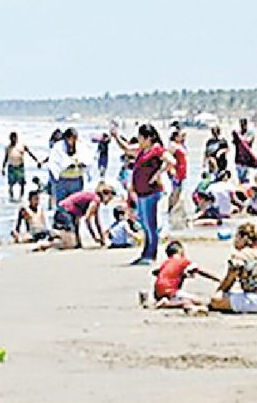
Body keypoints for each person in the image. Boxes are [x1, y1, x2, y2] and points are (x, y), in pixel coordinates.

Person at [113, 123, 174, 265]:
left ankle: (151, 255)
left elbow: (171, 161)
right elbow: (127, 148)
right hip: (141, 192)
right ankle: (146, 252)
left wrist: (157, 175)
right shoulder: (142, 150)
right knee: (145, 224)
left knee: (150, 224)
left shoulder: (156, 149)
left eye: (141, 137)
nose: (139, 139)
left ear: (149, 137)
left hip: (151, 192)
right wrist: (116, 136)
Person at [207, 223, 257, 314]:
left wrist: (219, 292)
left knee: (216, 300)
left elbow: (229, 280)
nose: (234, 241)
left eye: (237, 237)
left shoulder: (240, 255)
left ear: (244, 238)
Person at [49, 182, 116, 249]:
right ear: (107, 194)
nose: (110, 200)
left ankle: (58, 237)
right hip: (65, 211)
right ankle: (55, 235)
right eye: (111, 197)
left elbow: (96, 222)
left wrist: (79, 242)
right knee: (69, 243)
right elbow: (87, 219)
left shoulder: (93, 198)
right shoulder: (96, 200)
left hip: (62, 210)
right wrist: (94, 237)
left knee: (72, 242)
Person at [147, 241, 209, 308]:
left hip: (158, 291)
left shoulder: (166, 262)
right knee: (197, 301)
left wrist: (182, 275)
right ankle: (168, 303)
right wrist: (217, 278)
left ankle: (164, 300)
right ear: (180, 251)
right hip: (170, 290)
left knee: (178, 297)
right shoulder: (182, 260)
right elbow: (199, 271)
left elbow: (155, 272)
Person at [47, 128, 86, 205]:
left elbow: (87, 160)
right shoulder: (59, 147)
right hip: (63, 181)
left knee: (77, 205)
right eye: (73, 138)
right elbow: (53, 163)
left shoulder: (80, 147)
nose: (75, 140)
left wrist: (83, 165)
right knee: (62, 205)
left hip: (76, 180)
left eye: (76, 138)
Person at [2, 132, 43, 201]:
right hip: (11, 167)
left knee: (22, 183)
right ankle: (11, 198)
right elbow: (5, 158)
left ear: (16, 138)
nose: (13, 139)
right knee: (11, 184)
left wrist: (37, 161)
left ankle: (20, 198)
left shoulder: (22, 146)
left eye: (14, 138)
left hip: (20, 167)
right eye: (11, 138)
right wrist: (3, 168)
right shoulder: (8, 147)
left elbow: (30, 153)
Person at [232, 118, 257, 184]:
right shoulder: (238, 133)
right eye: (241, 125)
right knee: (240, 180)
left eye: (243, 125)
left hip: (247, 160)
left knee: (246, 180)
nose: (242, 126)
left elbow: (247, 141)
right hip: (238, 159)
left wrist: (239, 136)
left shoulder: (250, 133)